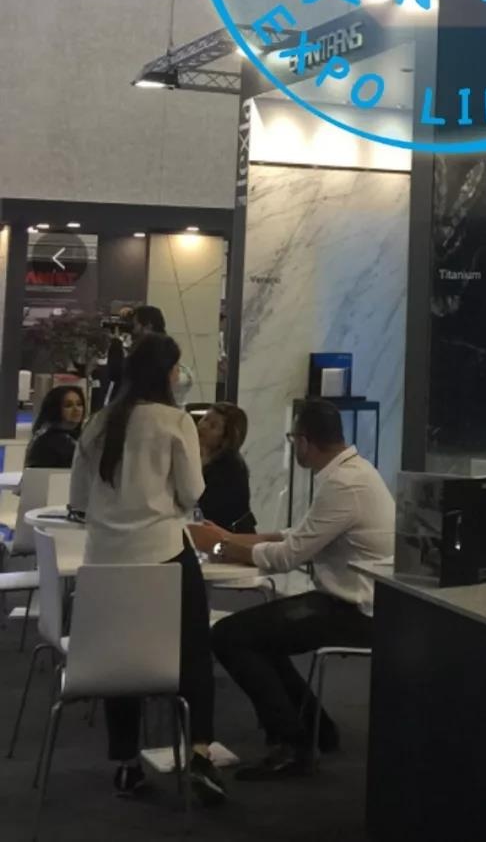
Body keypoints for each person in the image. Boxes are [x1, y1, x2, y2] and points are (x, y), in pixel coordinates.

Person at [199, 398, 394, 781]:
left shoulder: (344, 484)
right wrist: (231, 538)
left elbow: (287, 556)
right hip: (356, 601)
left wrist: (219, 547)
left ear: (304, 441)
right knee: (258, 633)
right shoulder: (353, 472)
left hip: (356, 611)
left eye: (293, 439)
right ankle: (317, 729)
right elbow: (299, 534)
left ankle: (292, 743)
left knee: (229, 635)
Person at [69, 332, 226, 805]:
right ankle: (199, 752)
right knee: (193, 652)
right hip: (165, 555)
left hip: (105, 560)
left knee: (121, 660)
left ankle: (126, 762)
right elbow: (193, 493)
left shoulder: (97, 423)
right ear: (167, 373)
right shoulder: (175, 421)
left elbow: (79, 502)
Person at [197, 401, 256, 533]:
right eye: (205, 419)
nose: (203, 426)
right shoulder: (202, 457)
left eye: (213, 426)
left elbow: (206, 508)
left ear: (226, 438)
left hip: (232, 537)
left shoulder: (230, 467)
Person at [25, 384, 86, 468]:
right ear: (55, 409)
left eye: (79, 404)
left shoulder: (81, 436)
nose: (76, 409)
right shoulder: (45, 441)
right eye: (68, 405)